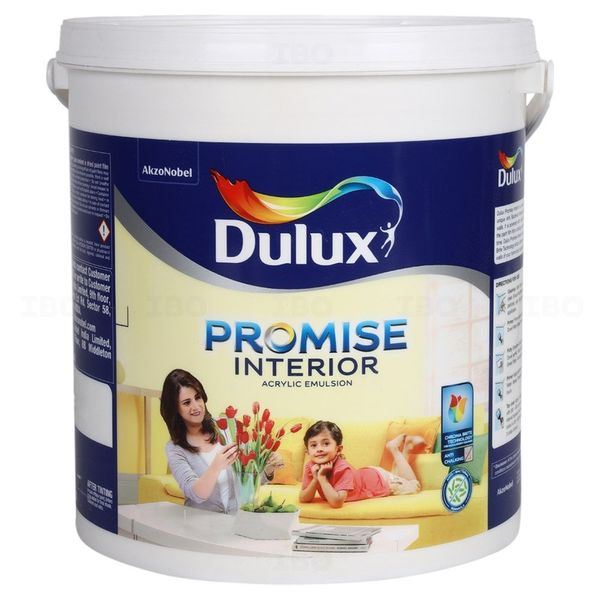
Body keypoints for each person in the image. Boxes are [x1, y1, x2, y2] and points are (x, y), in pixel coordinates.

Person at [160, 368, 280, 514]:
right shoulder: (175, 448)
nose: (196, 406)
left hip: (237, 520)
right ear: (175, 409)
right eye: (186, 403)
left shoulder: (227, 428)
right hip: (201, 522)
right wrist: (216, 467)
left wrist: (267, 469)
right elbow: (195, 494)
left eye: (198, 397)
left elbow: (246, 479)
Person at [299, 420, 423, 509]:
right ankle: (403, 448)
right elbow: (304, 498)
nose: (319, 449)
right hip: (366, 475)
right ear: (307, 452)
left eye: (326, 443)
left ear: (338, 449)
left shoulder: (342, 468)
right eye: (313, 445)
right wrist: (315, 479)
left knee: (414, 485)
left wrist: (322, 478)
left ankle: (395, 449)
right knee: (398, 477)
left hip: (379, 481)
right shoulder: (311, 466)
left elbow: (337, 503)